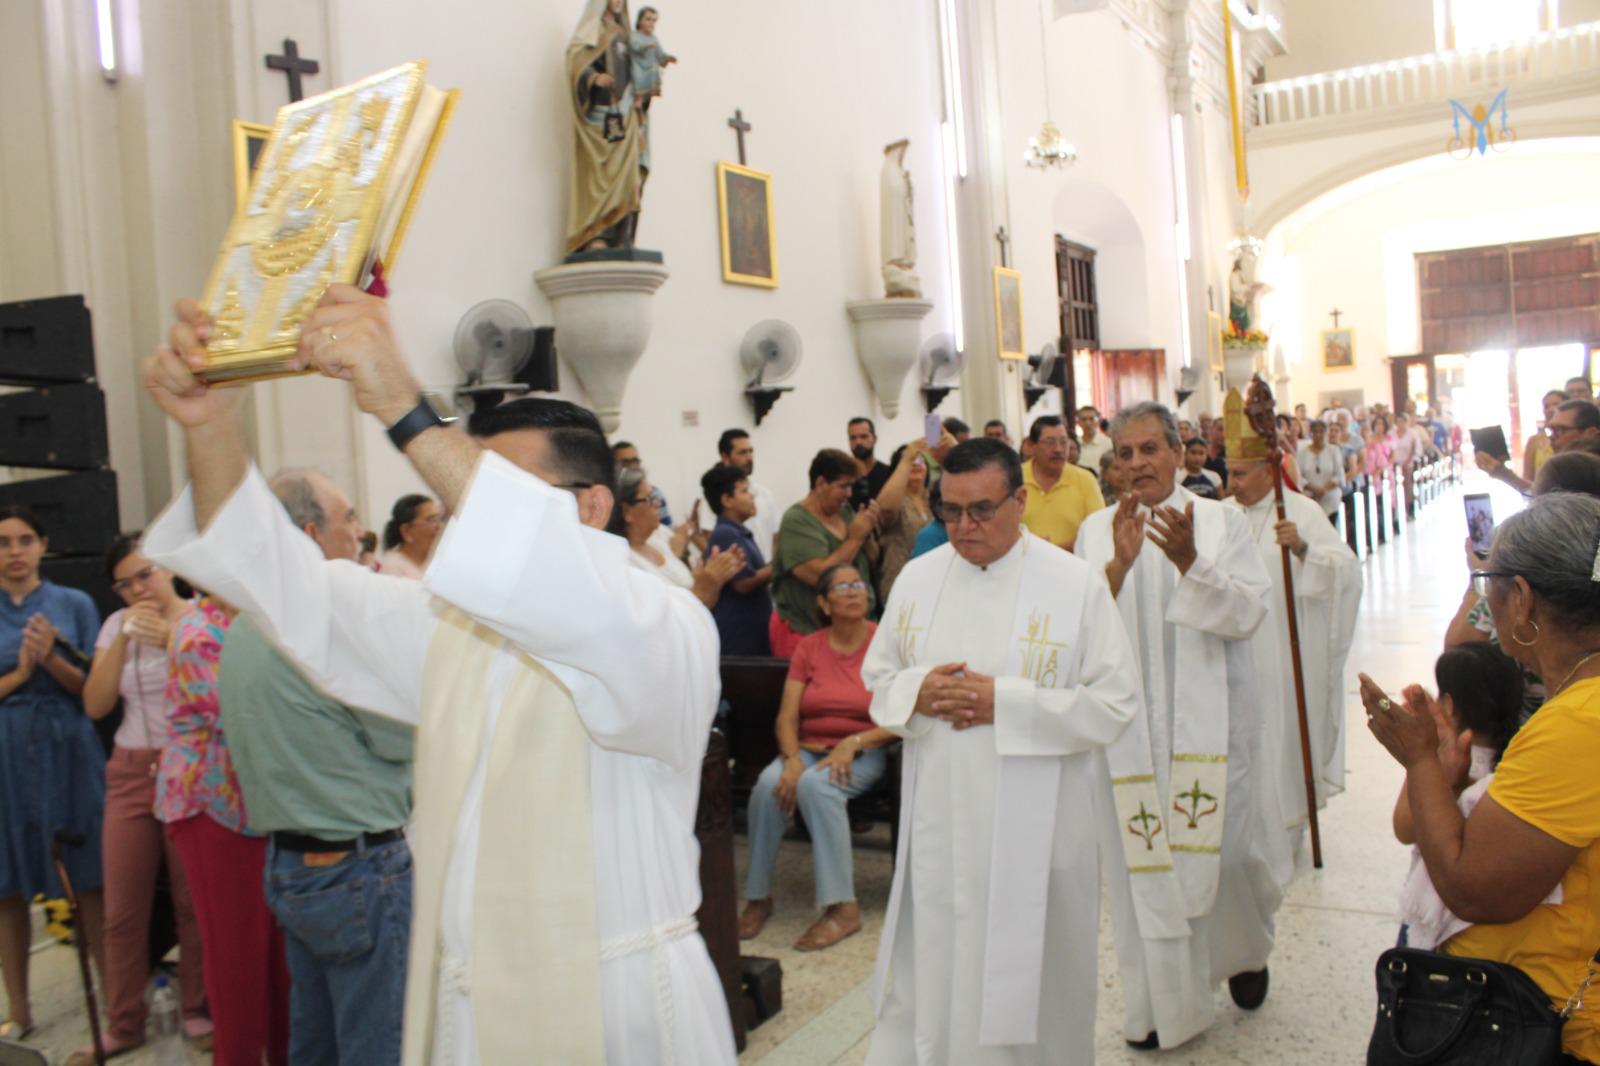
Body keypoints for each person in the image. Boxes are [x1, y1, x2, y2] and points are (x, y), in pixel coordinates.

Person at [146, 287, 736, 1063]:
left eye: (494, 499)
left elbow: (556, 581)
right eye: (461, 504)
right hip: (471, 1009)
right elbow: (283, 581)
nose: (473, 527)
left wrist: (404, 405)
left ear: (593, 507)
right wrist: (212, 428)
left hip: (617, 1007)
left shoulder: (665, 625)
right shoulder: (449, 631)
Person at [863, 438, 1142, 1064]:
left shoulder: (1073, 584)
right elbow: (879, 680)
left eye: (982, 510)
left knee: (1034, 976)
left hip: (1037, 832)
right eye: (950, 511)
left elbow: (1116, 703)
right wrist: (919, 691)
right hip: (941, 822)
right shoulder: (918, 577)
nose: (964, 528)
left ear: (1019, 501)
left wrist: (1005, 704)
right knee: (942, 960)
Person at [1363, 492, 1600, 1065]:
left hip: (1554, 1024)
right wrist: (1445, 784)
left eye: (1486, 581)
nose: (1483, 599)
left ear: (1520, 600)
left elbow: (1473, 889)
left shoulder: (1578, 725)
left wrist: (1419, 762)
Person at [1075, 402, 1284, 1050]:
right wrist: (1115, 566)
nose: (1136, 463)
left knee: (1227, 853)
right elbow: (1077, 629)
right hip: (1132, 733)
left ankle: (1245, 950)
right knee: (1144, 866)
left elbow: (1249, 611)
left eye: (1148, 450)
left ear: (1176, 452)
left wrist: (1194, 562)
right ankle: (1161, 1006)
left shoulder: (1220, 522)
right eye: (1124, 454)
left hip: (1212, 726)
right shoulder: (1092, 532)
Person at [212, 467, 417, 1066]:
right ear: (309, 534)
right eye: (348, 517)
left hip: (291, 861)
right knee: (377, 1042)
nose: (359, 532)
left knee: (317, 1037)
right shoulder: (320, 624)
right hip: (356, 865)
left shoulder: (247, 625)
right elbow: (399, 739)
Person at [77, 537, 207, 1061]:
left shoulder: (197, 617)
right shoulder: (115, 626)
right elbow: (95, 704)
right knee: (123, 906)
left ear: (168, 571)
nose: (137, 591)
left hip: (189, 766)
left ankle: (197, 1008)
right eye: (124, 584)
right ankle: (124, 1021)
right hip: (131, 768)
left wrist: (171, 636)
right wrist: (126, 643)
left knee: (190, 900)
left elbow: (213, 688)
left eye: (144, 576)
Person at [158, 592, 290, 1066]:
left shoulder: (256, 618)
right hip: (214, 808)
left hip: (259, 807)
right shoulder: (198, 633)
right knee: (238, 965)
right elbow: (241, 717)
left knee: (279, 965)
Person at [739, 563, 894, 951]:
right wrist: (790, 757)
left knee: (818, 788)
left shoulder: (885, 644)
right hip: (809, 749)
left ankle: (843, 907)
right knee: (767, 786)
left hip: (866, 750)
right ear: (824, 603)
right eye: (843, 587)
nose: (855, 591)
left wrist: (854, 742)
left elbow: (903, 716)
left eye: (859, 584)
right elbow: (787, 715)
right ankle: (758, 896)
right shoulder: (810, 647)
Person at [1224, 452, 1361, 866]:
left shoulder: (1301, 511)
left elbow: (1347, 571)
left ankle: (1288, 824)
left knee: (1282, 730)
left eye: (1240, 473)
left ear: (1268, 473)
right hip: (1234, 648)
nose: (1231, 482)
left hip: (1284, 648)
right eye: (1230, 473)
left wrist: (1303, 549)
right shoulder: (1221, 514)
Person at [0, 507, 103, 1044]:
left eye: (25, 540)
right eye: (4, 542)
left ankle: (116, 1001)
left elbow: (94, 688)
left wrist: (51, 661)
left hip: (68, 746)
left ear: (43, 545)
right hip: (6, 754)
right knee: (6, 887)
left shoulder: (74, 603)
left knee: (91, 876)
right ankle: (20, 1009)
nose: (15, 552)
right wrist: (19, 673)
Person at [1391, 643, 1527, 951]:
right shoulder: (1520, 760)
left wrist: (1420, 759)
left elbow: (1404, 829)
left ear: (1449, 705)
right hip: (1492, 922)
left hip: (1435, 908)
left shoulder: (1436, 760)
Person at [771, 449, 880, 657]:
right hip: (807, 634)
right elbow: (819, 576)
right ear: (820, 483)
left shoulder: (845, 512)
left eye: (851, 486)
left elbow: (872, 559)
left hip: (852, 634)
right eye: (843, 486)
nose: (849, 494)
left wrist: (867, 532)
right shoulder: (797, 521)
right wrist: (855, 538)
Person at [619, 467, 738, 610]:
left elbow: (703, 602)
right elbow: (663, 617)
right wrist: (702, 588)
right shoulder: (625, 562)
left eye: (655, 497)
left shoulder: (658, 538)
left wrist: (713, 580)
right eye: (649, 499)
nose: (657, 504)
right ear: (626, 511)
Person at [701, 463, 774, 656]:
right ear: (727, 500)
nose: (752, 496)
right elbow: (743, 584)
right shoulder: (726, 534)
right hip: (739, 641)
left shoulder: (737, 532)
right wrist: (779, 565)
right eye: (744, 491)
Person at [1479, 400, 1600, 498]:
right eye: (1550, 430)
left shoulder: (1580, 467)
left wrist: (1506, 475)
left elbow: (1547, 503)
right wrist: (1504, 474)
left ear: (1590, 433)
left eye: (1559, 430)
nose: (1552, 437)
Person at [1021, 416, 1105, 551]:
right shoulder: (1015, 478)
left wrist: (1056, 552)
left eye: (1064, 442)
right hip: (1023, 564)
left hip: (1075, 564)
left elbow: (1098, 530)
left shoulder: (1085, 480)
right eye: (1050, 442)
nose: (1058, 449)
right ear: (1031, 446)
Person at [876, 443, 934, 602]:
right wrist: (906, 459)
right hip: (901, 581)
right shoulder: (895, 500)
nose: (915, 464)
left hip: (935, 579)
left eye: (920, 460)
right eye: (910, 461)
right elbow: (885, 510)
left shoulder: (934, 498)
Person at [717, 428, 778, 558]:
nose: (749, 458)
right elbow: (709, 538)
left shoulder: (764, 494)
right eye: (743, 453)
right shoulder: (718, 496)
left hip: (768, 571)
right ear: (725, 457)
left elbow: (775, 536)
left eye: (751, 451)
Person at [379, 493, 444, 579]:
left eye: (439, 519)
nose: (439, 526)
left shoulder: (437, 562)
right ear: (406, 531)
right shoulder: (391, 569)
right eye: (432, 520)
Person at [612, 440, 673, 524]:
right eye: (625, 462)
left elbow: (667, 527)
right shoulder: (607, 497)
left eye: (635, 461)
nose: (632, 466)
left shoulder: (655, 493)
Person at [1297, 419, 1346, 522]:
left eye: (1321, 431)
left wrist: (1323, 489)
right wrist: (1314, 489)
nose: (1318, 434)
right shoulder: (1303, 453)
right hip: (1310, 499)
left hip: (1330, 499)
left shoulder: (1333, 450)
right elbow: (1299, 476)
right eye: (1315, 431)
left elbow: (1339, 475)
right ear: (1311, 433)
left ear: (1326, 433)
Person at [1522, 389, 1568, 484]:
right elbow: (1527, 478)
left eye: (1556, 405)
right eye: (1546, 407)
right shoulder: (1534, 441)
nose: (1551, 410)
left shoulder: (1574, 437)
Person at [849, 417, 893, 503]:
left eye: (863, 436)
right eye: (853, 438)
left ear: (874, 439)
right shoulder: (843, 476)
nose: (858, 442)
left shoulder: (889, 474)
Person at [1076, 405, 1111, 472]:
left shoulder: (1108, 443)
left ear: (1098, 421)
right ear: (1078, 422)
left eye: (1091, 419)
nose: (1087, 423)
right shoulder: (1075, 444)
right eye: (1084, 419)